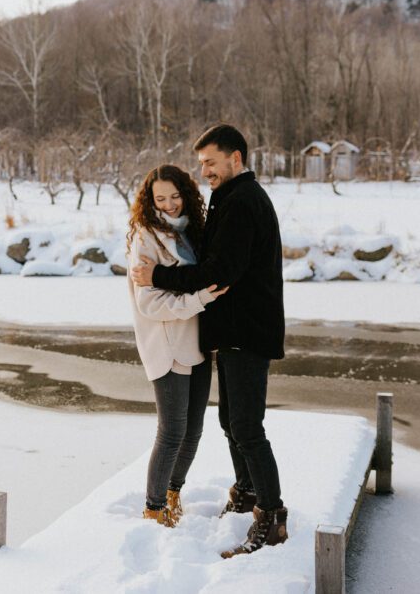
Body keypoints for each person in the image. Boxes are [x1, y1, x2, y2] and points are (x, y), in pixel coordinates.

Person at [131, 124, 288, 557]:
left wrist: (159, 275)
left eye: (211, 163)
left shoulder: (242, 202)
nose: (205, 171)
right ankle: (247, 493)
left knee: (246, 428)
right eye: (200, 164)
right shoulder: (229, 198)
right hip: (233, 332)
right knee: (229, 424)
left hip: (247, 331)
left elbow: (219, 271)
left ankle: (272, 517)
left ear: (235, 159)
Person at [126, 164, 227, 527]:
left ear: (186, 193)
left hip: (198, 342)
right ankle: (154, 508)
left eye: (174, 196)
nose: (169, 205)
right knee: (171, 431)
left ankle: (173, 493)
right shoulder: (146, 237)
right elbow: (149, 302)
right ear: (149, 201)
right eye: (160, 199)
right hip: (167, 343)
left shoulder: (193, 232)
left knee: (194, 429)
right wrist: (198, 300)